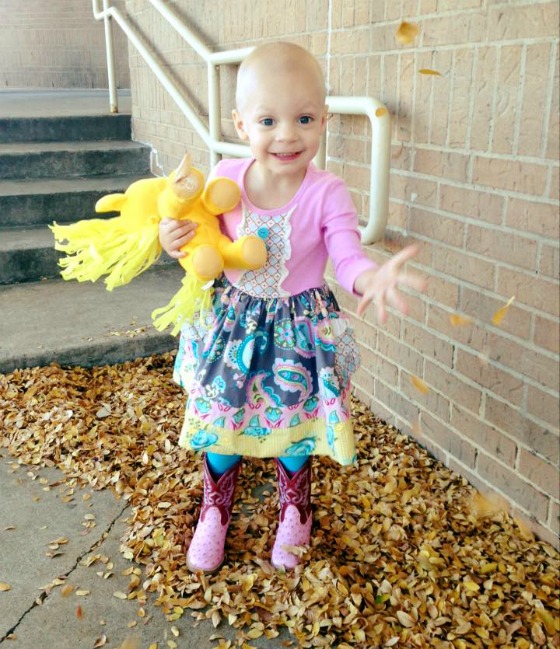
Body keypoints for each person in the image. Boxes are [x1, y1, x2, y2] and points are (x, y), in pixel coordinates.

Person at [159, 42, 425, 573]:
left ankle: (294, 508)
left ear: (324, 120)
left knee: (294, 421)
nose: (287, 134)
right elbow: (201, 241)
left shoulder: (327, 192)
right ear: (240, 124)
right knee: (223, 414)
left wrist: (369, 277)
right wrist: (173, 239)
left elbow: (346, 255)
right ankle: (215, 507)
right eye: (268, 120)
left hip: (297, 329)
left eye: (304, 118)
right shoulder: (224, 178)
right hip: (232, 322)